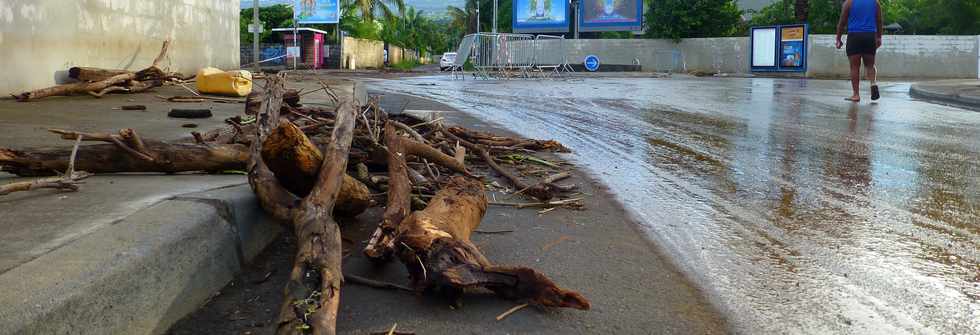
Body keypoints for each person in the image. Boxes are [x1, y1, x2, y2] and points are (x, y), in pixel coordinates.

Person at [836, 0, 883, 102]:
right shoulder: (875, 3)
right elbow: (879, 21)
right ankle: (873, 83)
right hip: (870, 36)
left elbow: (842, 22)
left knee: (854, 66)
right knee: (870, 65)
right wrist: (879, 37)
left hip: (854, 36)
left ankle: (856, 95)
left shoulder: (849, 3)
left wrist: (838, 38)